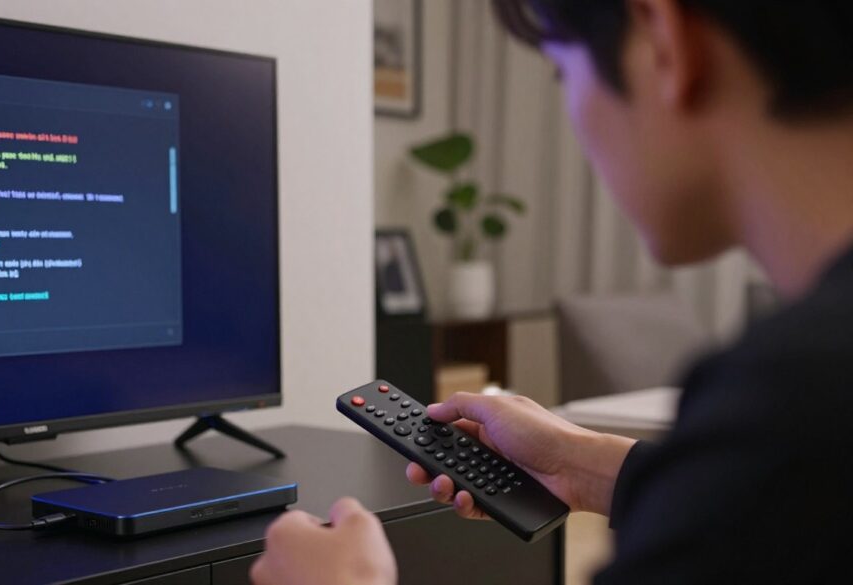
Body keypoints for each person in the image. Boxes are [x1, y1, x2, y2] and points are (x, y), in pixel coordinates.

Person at [251, 0, 853, 583]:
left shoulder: (791, 401)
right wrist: (579, 461)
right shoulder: (794, 424)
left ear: (663, 38)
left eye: (565, 73)